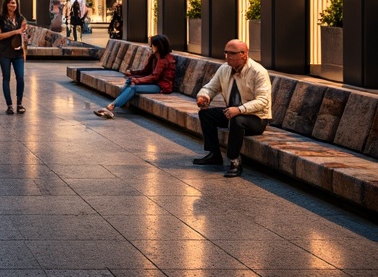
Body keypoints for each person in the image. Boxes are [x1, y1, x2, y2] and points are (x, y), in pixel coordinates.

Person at [193, 38, 272, 177]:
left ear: (244, 54)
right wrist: (204, 96)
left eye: (232, 53)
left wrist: (240, 109)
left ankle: (235, 161)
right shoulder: (225, 68)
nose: (227, 56)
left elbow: (263, 100)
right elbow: (211, 87)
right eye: (226, 52)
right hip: (232, 112)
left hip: (256, 118)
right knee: (206, 114)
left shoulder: (258, 72)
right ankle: (214, 155)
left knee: (238, 120)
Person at [95, 34, 175, 118]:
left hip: (161, 86)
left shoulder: (164, 59)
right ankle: (114, 104)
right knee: (130, 81)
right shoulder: (155, 56)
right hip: (153, 83)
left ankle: (111, 107)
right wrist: (132, 73)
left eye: (153, 45)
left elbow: (154, 77)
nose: (151, 47)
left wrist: (137, 81)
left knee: (133, 87)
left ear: (159, 46)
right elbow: (146, 71)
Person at [0, 0, 27, 114]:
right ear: (6, 4)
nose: (13, 5)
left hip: (18, 52)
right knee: (6, 78)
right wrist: (15, 31)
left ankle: (19, 103)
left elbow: (24, 33)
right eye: (10, 3)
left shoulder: (21, 18)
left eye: (14, 3)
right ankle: (9, 105)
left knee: (20, 77)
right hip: (4, 52)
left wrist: (25, 36)